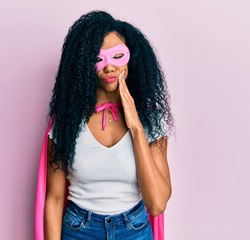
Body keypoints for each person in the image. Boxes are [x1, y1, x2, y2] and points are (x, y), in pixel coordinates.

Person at [35, 10, 174, 240]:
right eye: (98, 59)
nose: (109, 68)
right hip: (79, 230)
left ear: (133, 59)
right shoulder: (66, 123)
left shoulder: (151, 123)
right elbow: (54, 199)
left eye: (117, 56)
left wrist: (137, 128)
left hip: (134, 230)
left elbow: (157, 204)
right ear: (83, 66)